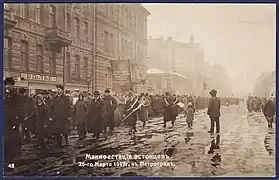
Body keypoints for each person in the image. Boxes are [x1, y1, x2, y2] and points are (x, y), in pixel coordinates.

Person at [4, 77, 24, 164]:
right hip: (4, 121)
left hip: (13, 121)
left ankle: (12, 161)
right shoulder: (3, 95)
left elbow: (21, 109)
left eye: (9, 85)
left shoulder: (17, 96)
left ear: (13, 86)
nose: (7, 86)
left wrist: (17, 120)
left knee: (13, 140)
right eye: (6, 84)